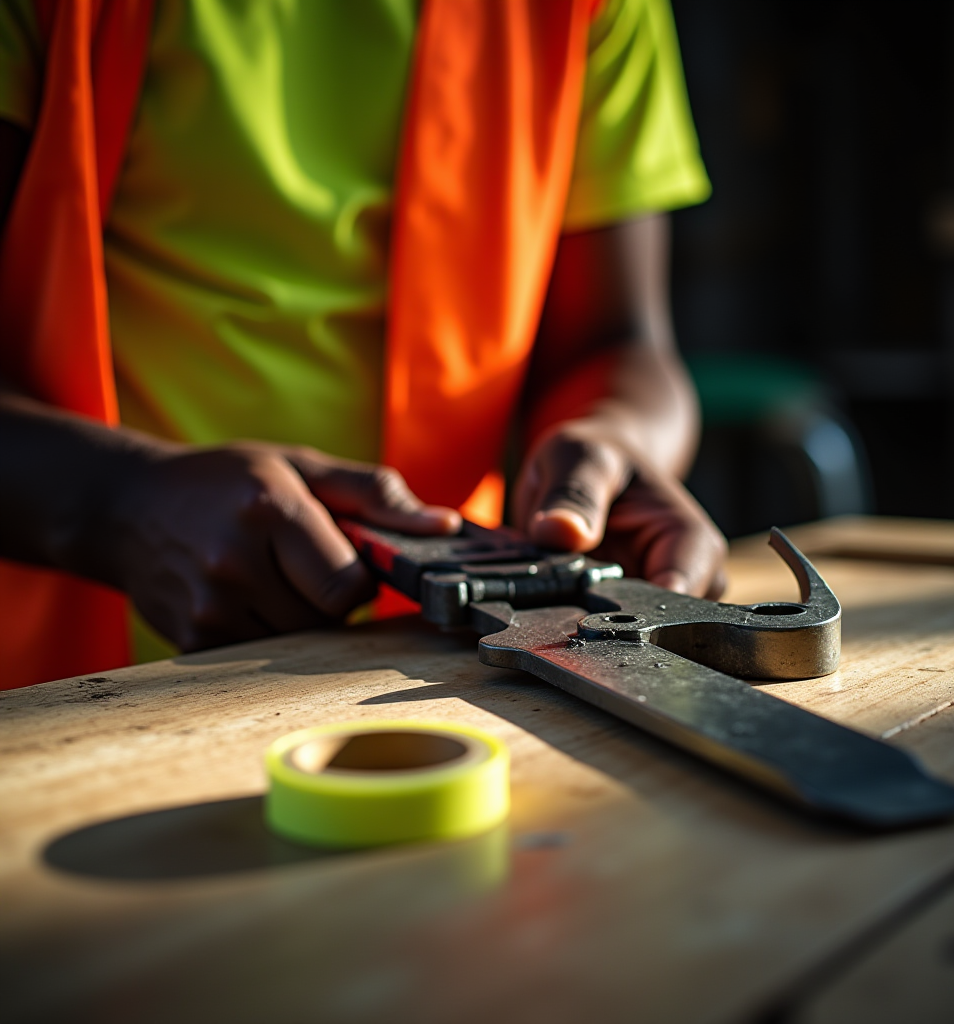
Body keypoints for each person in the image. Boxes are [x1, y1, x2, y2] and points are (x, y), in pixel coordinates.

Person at [0, 0, 726, 689]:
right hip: (63, 688)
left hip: (459, 674)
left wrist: (620, 441)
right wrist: (115, 506)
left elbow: (617, 340)